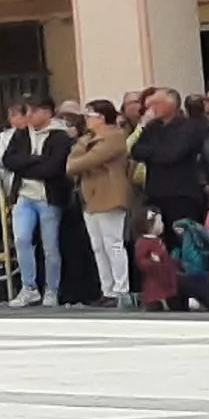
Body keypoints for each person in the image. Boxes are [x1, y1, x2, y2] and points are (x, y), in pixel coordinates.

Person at [0, 96, 73, 308]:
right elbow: (9, 160)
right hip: (24, 195)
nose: (29, 116)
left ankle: (52, 289)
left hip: (49, 197)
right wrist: (36, 160)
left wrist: (27, 165)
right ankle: (28, 287)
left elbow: (54, 167)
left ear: (47, 112)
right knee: (21, 239)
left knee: (50, 246)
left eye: (34, 111)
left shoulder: (60, 137)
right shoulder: (21, 134)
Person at [68, 99, 137, 307]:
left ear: (102, 117)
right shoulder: (87, 138)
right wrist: (81, 154)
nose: (87, 120)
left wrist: (81, 157)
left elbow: (91, 159)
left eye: (90, 116)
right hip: (90, 195)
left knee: (112, 242)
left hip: (110, 193)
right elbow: (71, 163)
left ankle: (121, 289)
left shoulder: (115, 136)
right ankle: (107, 289)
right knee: (98, 245)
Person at [129, 88, 208, 230]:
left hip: (181, 194)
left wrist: (151, 152)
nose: (151, 109)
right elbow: (136, 150)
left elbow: (171, 155)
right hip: (155, 193)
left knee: (182, 234)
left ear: (171, 105)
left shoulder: (189, 127)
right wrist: (156, 151)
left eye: (156, 104)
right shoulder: (152, 127)